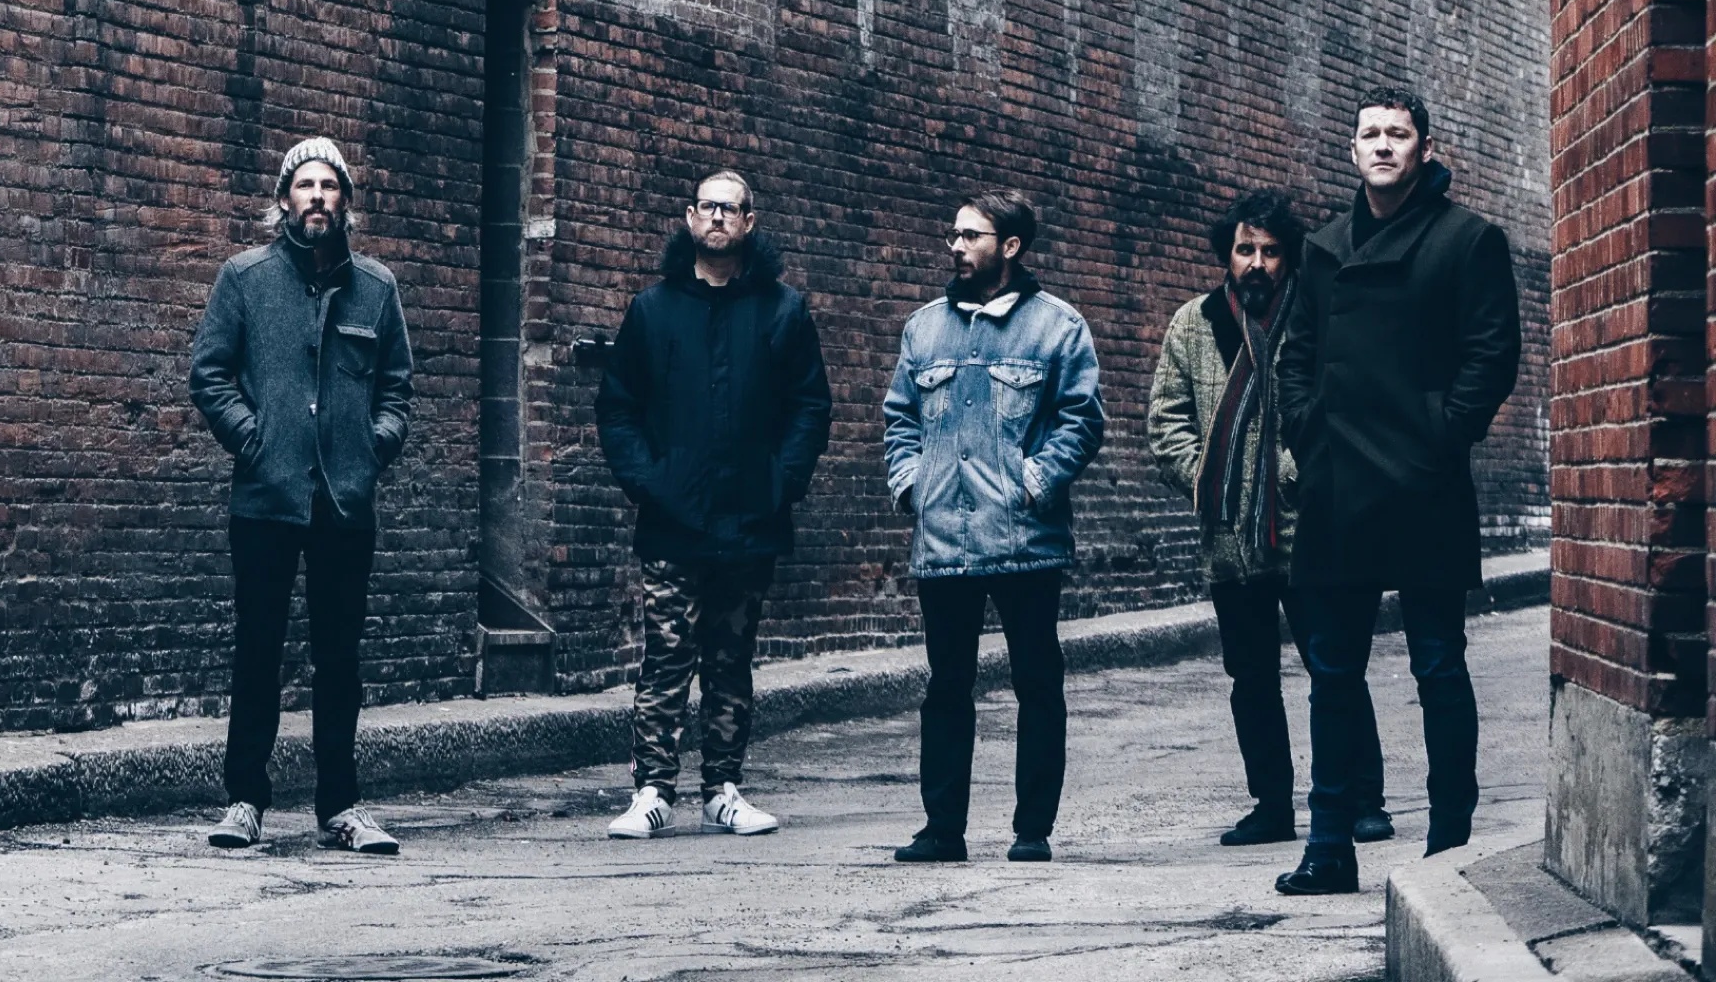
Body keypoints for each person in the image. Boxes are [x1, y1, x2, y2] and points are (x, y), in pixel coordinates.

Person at [1271, 88, 1520, 895]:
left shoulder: (1468, 240)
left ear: (1423, 147)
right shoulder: (1324, 246)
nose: (1383, 146)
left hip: (1423, 481)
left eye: (1398, 134)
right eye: (1369, 134)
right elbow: (1296, 356)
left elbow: (1492, 357)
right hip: (1339, 479)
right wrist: (1308, 430)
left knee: (1438, 665)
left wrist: (1439, 434)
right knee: (1332, 671)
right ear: (1352, 150)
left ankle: (1449, 841)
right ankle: (1328, 846)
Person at [189, 137, 415, 855]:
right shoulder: (244, 278)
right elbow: (209, 373)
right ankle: (244, 801)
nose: (318, 197)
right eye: (305, 185)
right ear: (284, 199)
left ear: (345, 201)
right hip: (265, 498)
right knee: (258, 650)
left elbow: (398, 387)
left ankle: (340, 807)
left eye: (330, 186)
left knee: (340, 660)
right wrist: (252, 439)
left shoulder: (376, 288)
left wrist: (374, 446)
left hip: (345, 503)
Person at [1147, 189, 1392, 850]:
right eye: (1245, 249)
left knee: (1331, 667)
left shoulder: (1315, 319)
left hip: (1309, 527)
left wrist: (1288, 474)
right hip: (1229, 536)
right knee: (1250, 676)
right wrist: (1212, 479)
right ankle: (1272, 806)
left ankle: (1363, 797)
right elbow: (1167, 423)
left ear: (1290, 258)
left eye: (1271, 251)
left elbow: (1338, 408)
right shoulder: (1192, 324)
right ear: (1227, 255)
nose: (1257, 263)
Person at [596, 169, 831, 839]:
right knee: (666, 656)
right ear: (690, 218)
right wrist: (649, 481)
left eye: (732, 208)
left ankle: (723, 788)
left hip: (751, 517)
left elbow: (810, 408)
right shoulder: (652, 310)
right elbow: (618, 409)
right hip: (674, 518)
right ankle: (651, 791)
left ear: (750, 222)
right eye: (709, 207)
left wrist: (779, 482)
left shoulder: (783, 310)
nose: (720, 218)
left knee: (731, 657)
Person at [880, 189, 1104, 865]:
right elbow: (899, 417)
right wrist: (911, 484)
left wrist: (1033, 483)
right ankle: (941, 830)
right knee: (946, 686)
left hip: (1025, 540)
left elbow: (1081, 420)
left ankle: (1032, 830)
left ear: (1009, 247)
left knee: (1037, 682)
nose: (956, 246)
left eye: (972, 236)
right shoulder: (924, 328)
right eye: (953, 235)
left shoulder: (1057, 327)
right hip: (942, 537)